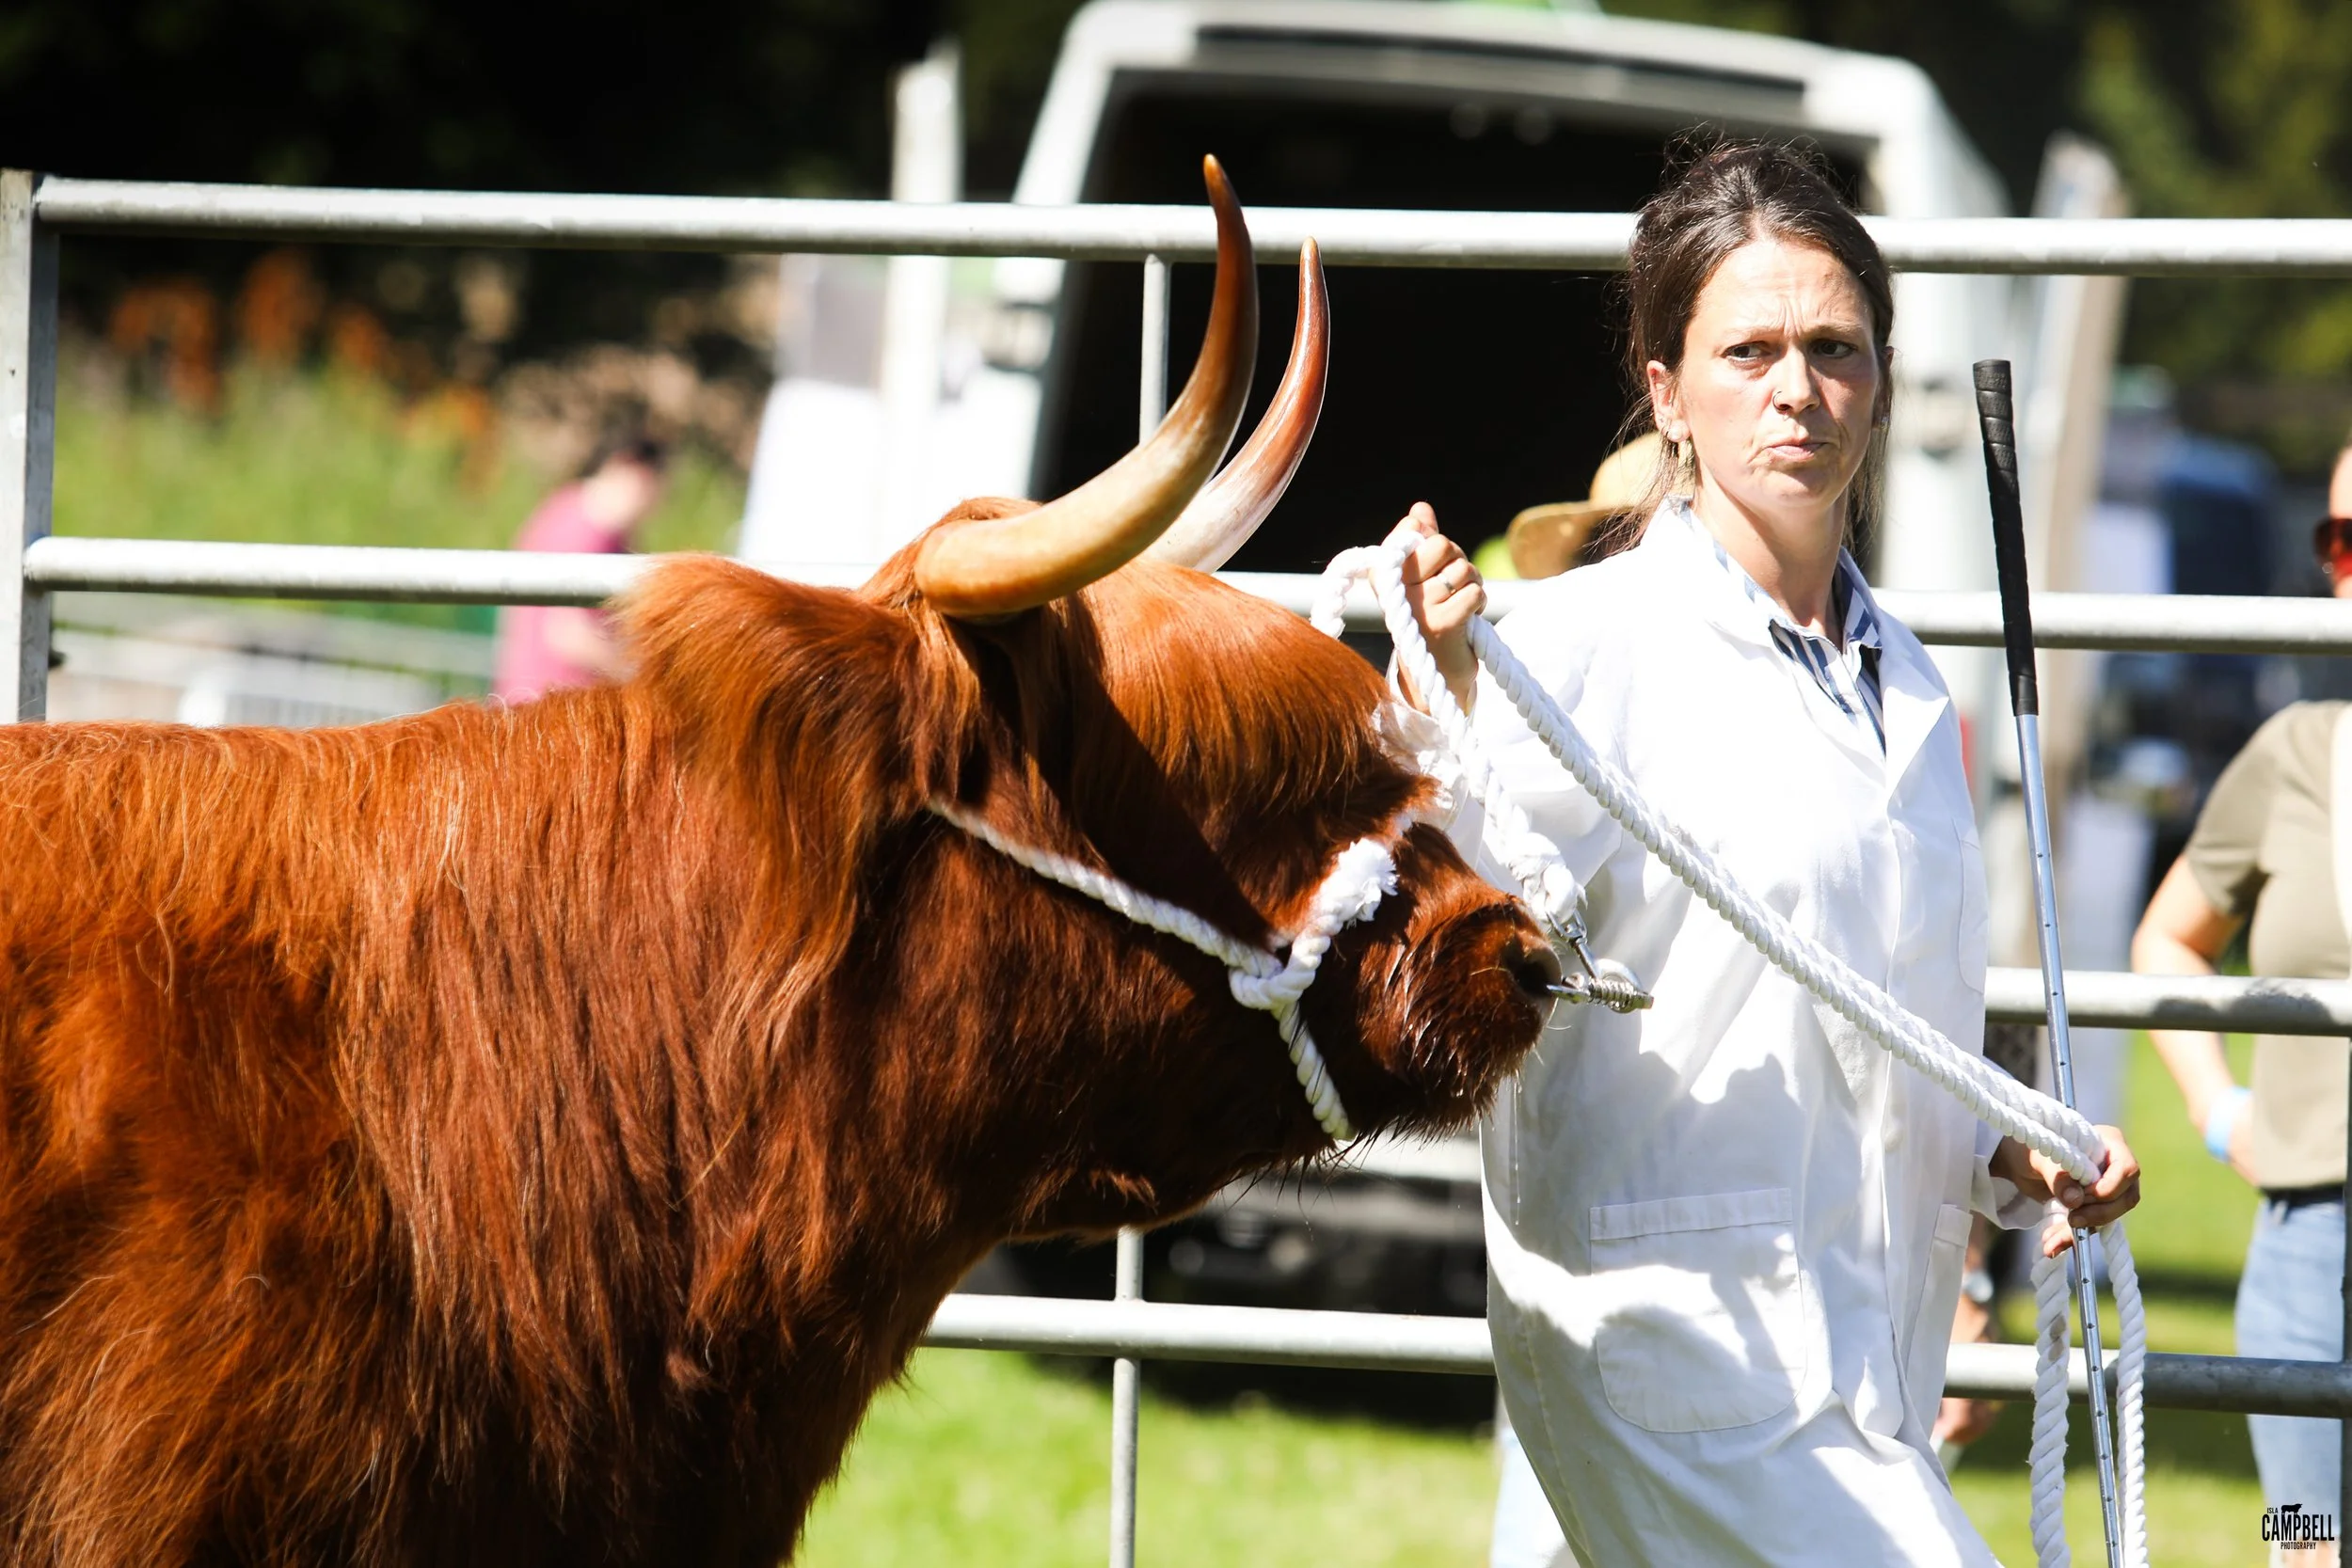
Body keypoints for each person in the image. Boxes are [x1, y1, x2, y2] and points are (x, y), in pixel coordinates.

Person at [1388, 142, 2142, 1566]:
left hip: (1864, 1357)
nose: (1799, 387)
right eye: (1749, 350)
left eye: (1835, 347)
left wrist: (2015, 1151)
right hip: (1681, 1346)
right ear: (1664, 387)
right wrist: (1440, 692)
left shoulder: (1911, 684)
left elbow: (1880, 1011)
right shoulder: (1559, 651)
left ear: (1883, 374)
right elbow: (1448, 920)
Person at [2131, 432, 2352, 1557]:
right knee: (2303, 1545)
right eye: (2340, 538)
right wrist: (2222, 1115)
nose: (2350, 566)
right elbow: (2167, 940)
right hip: (2306, 1246)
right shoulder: (2296, 753)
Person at [491, 436, 669, 704]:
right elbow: (568, 631)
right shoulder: (587, 527)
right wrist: (642, 677)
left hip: (540, 702)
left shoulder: (572, 514)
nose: (656, 504)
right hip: (552, 708)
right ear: (633, 472)